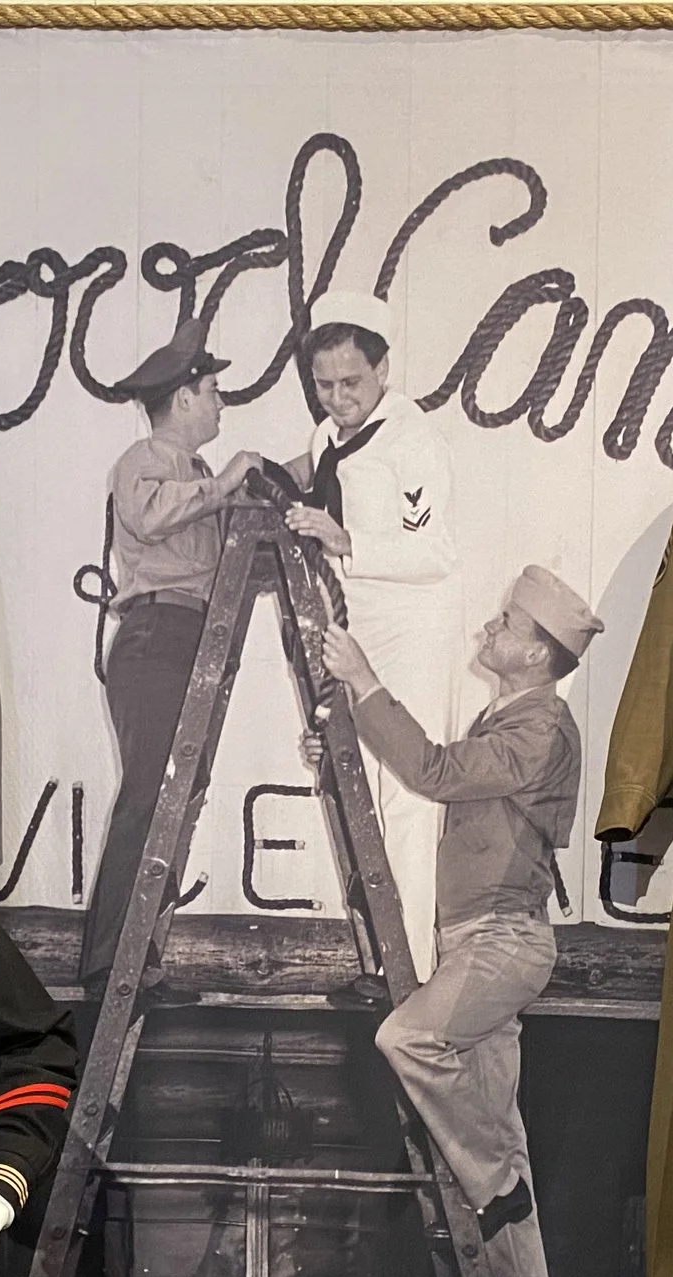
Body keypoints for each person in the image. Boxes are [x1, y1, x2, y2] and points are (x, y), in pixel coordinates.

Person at [306, 566, 602, 1277]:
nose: (488, 632)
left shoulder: (542, 728)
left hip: (503, 941)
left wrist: (365, 682)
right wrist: (339, 739)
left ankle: (493, 1188)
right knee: (502, 1134)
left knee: (408, 1040)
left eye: (505, 625)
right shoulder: (503, 717)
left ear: (538, 656)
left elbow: (433, 772)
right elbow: (431, 782)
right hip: (474, 941)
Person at [80, 317, 264, 1001]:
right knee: (152, 794)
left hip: (192, 642)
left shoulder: (200, 474)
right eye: (214, 391)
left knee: (179, 799)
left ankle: (140, 958)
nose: (221, 404)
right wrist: (224, 487)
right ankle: (108, 962)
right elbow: (153, 515)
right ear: (183, 398)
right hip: (157, 637)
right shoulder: (144, 463)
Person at [284, 290, 462, 990]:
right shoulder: (324, 439)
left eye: (350, 382)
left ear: (384, 369)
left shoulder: (414, 440)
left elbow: (437, 551)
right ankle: (382, 954)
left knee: (408, 797)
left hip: (413, 625)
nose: (336, 398)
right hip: (356, 623)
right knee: (355, 780)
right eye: (323, 385)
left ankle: (410, 967)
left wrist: (347, 539)